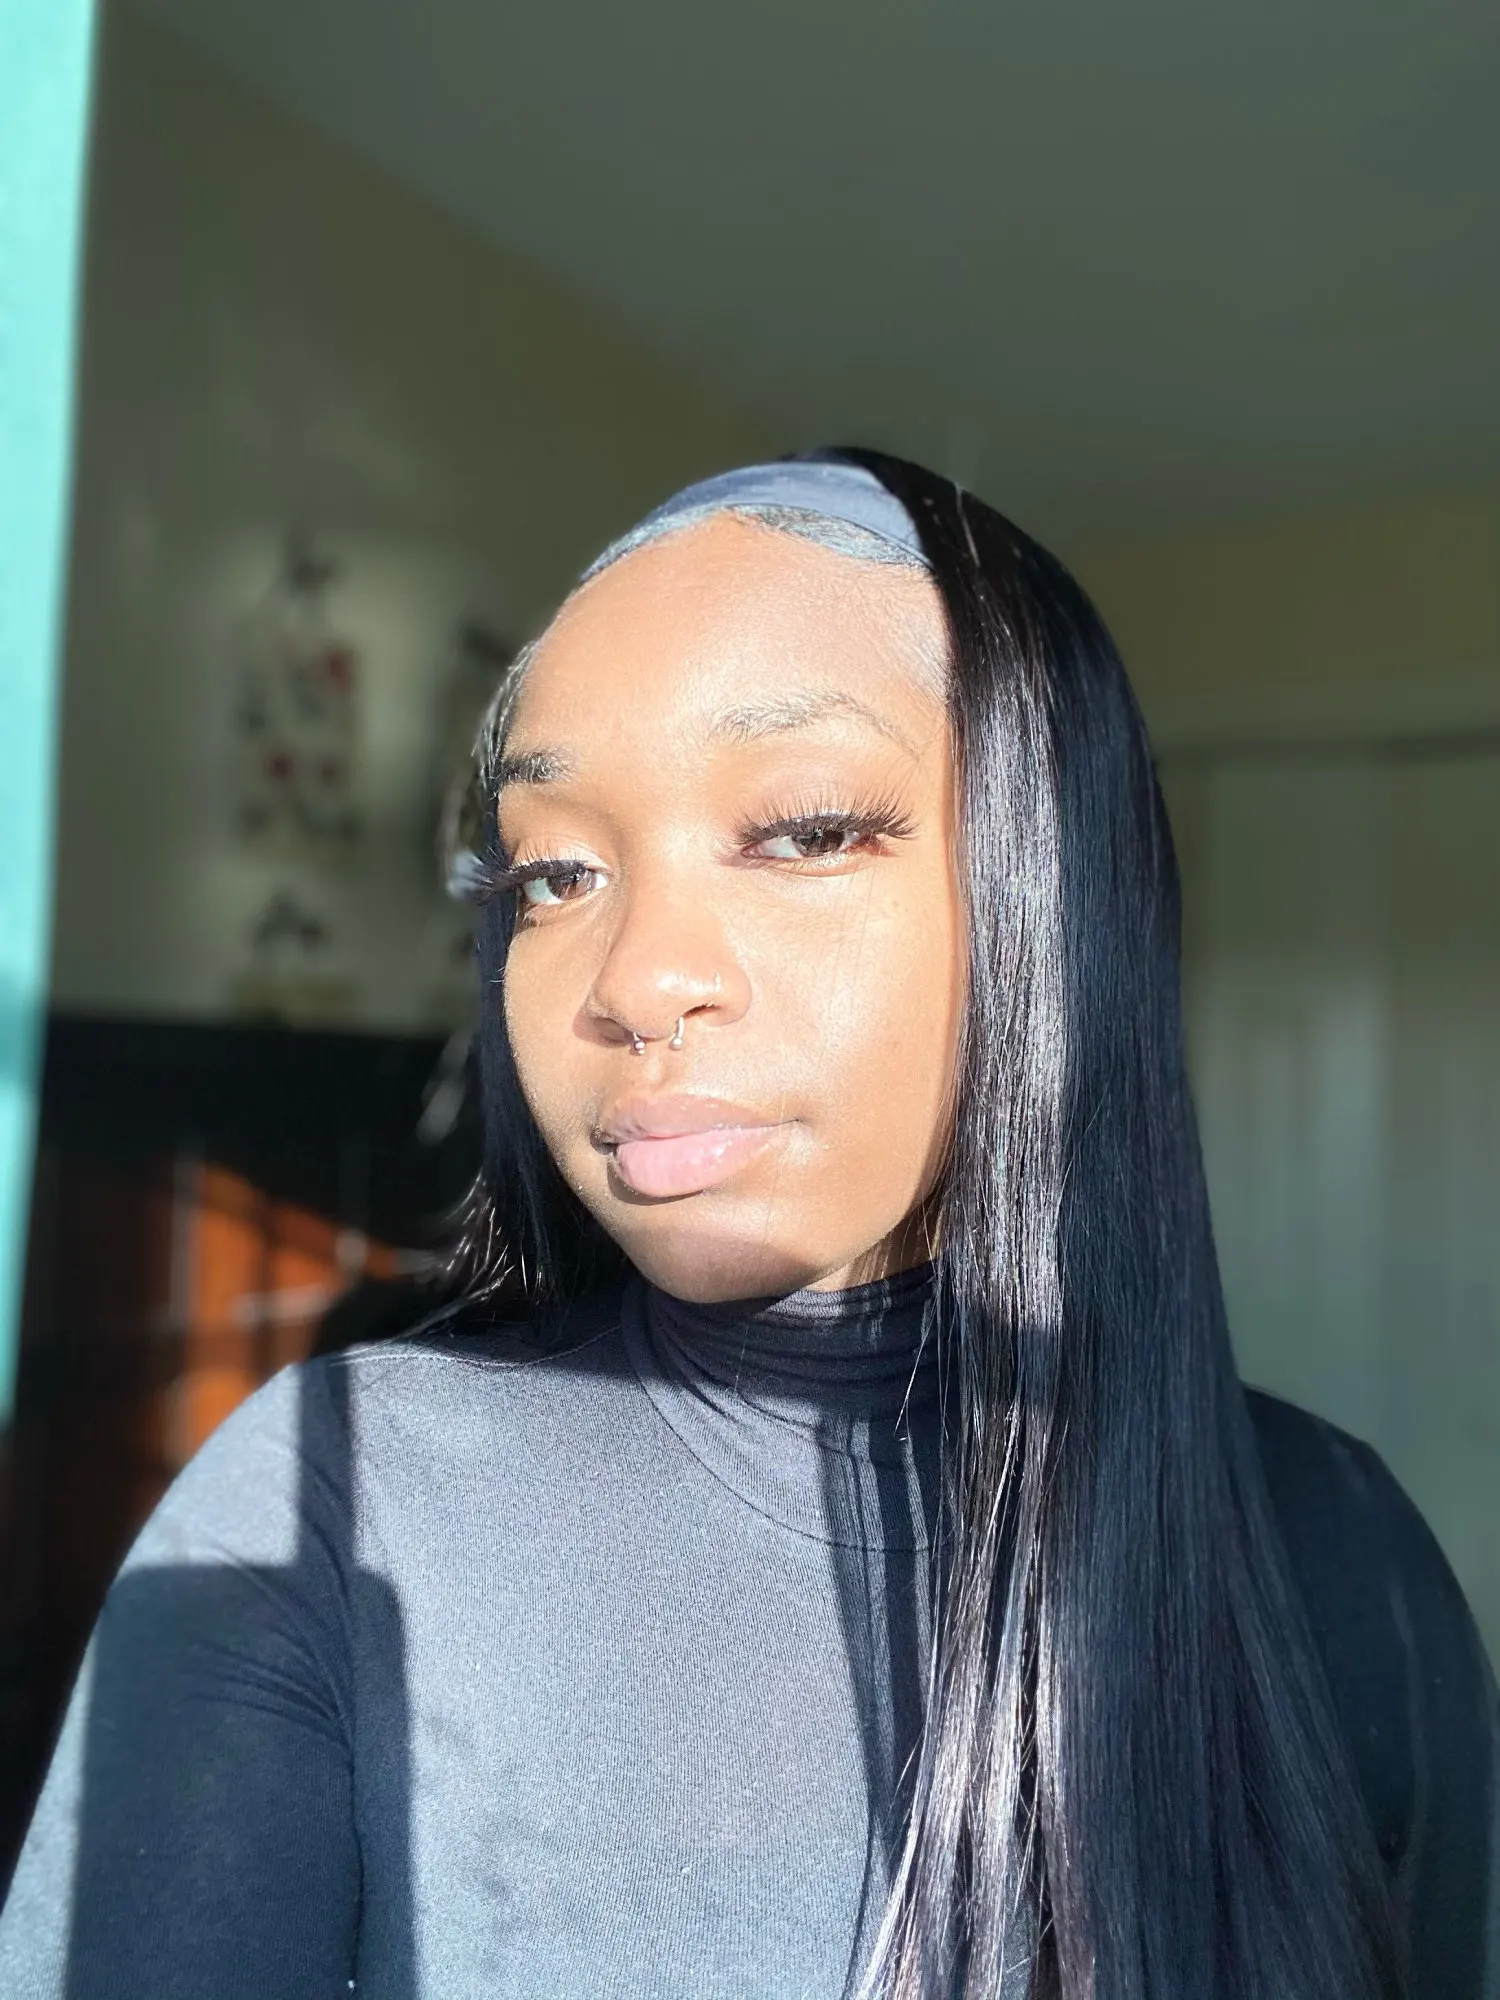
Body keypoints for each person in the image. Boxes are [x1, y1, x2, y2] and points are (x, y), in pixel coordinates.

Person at [1, 449, 1496, 1999]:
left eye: (805, 830)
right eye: (554, 871)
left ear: (1064, 888)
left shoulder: (1339, 1546)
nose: (635, 979)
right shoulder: (332, 1506)